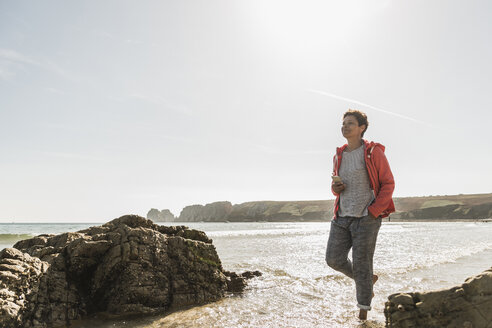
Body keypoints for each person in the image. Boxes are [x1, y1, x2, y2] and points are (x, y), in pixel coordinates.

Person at [325, 109, 395, 320]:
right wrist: (336, 188)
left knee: (362, 263)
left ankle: (362, 314)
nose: (345, 126)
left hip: (366, 217)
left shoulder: (374, 152)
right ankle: (366, 279)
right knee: (333, 259)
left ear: (362, 128)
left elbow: (388, 183)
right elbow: (335, 186)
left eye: (350, 123)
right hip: (342, 216)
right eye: (343, 123)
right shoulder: (339, 155)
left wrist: (374, 211)